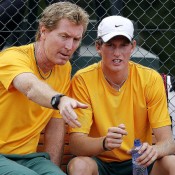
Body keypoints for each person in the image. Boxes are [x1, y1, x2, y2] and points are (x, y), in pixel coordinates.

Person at [68, 15, 175, 175]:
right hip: (101, 163)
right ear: (98, 46)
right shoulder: (83, 79)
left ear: (132, 47)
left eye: (123, 45)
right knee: (78, 165)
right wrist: (104, 142)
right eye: (110, 45)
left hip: (139, 162)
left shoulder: (150, 78)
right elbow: (76, 145)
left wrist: (155, 150)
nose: (117, 53)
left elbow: (167, 142)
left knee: (171, 162)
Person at [0, 2, 89, 175]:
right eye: (64, 36)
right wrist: (59, 99)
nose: (70, 47)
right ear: (44, 31)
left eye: (76, 39)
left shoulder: (64, 68)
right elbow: (30, 87)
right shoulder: (12, 57)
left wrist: (53, 169)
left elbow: (55, 124)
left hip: (30, 158)